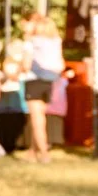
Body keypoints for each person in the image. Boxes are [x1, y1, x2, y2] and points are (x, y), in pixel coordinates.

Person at [19, 11, 61, 162]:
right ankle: (32, 152)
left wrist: (18, 68)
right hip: (49, 81)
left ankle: (44, 154)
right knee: (38, 118)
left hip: (34, 81)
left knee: (37, 120)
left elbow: (26, 65)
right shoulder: (55, 41)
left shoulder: (31, 43)